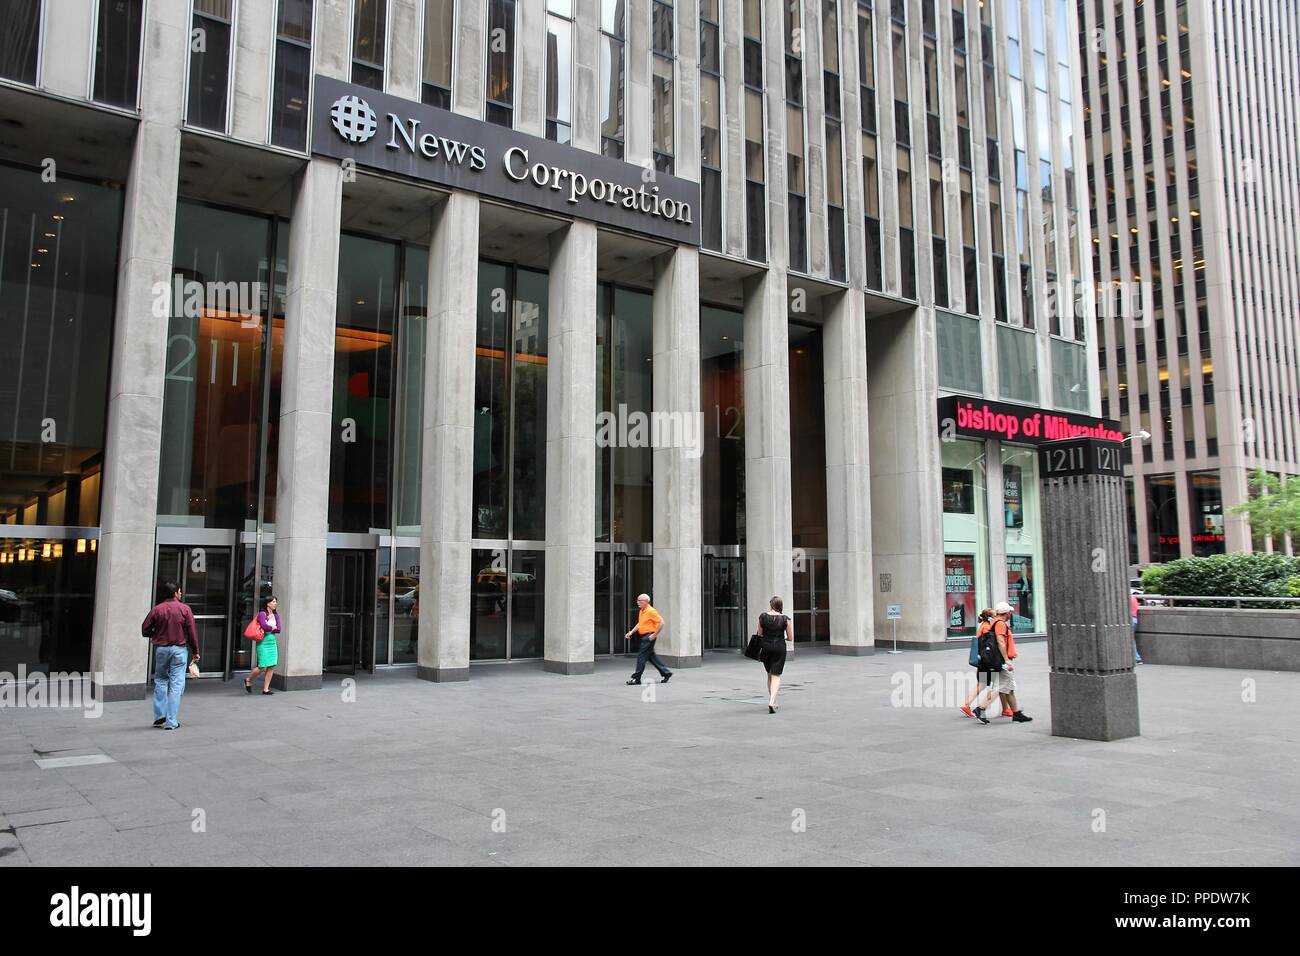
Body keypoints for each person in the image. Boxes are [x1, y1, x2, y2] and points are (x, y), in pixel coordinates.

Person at [141, 580, 199, 730]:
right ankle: (171, 721)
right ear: (175, 593)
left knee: (160, 680)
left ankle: (160, 715)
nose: (181, 593)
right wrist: (196, 651)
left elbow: (145, 629)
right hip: (179, 650)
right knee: (176, 685)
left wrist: (157, 633)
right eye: (179, 591)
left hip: (161, 649)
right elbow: (192, 632)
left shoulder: (157, 609)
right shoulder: (184, 609)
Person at [989, 601, 1032, 722]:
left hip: (999, 660)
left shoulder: (995, 622)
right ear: (1006, 613)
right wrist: (1007, 660)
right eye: (1010, 612)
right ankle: (980, 708)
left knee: (1009, 688)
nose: (1011, 614)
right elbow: (1001, 642)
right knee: (1000, 687)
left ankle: (1016, 713)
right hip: (1002, 661)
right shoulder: (1000, 624)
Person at [756, 596, 793, 713]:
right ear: (780, 605)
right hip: (779, 647)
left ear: (771, 604)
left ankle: (774, 700)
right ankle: (772, 702)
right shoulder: (786, 619)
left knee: (769, 674)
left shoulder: (762, 617)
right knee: (776, 674)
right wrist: (783, 638)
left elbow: (759, 634)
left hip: (766, 647)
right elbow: (790, 637)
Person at [625, 593, 672, 685]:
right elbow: (640, 624)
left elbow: (662, 622)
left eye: (640, 601)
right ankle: (666, 673)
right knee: (651, 657)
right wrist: (631, 632)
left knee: (641, 657)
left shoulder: (651, 611)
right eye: (637, 600)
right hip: (645, 636)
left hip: (649, 637)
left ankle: (636, 678)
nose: (637, 602)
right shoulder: (642, 611)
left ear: (646, 602)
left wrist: (655, 634)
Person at [960, 609, 997, 719]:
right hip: (986, 661)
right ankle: (969, 705)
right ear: (989, 617)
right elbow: (988, 645)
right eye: (994, 615)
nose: (995, 618)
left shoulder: (983, 625)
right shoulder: (986, 628)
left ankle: (966, 704)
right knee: (994, 686)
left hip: (982, 660)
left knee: (981, 684)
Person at [245, 595, 280, 695]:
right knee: (262, 666)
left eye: (275, 602)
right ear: (267, 603)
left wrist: (271, 627)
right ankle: (248, 679)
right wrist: (272, 627)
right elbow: (264, 627)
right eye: (273, 602)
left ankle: (266, 689)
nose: (275, 603)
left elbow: (279, 629)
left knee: (271, 666)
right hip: (263, 641)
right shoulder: (262, 614)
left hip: (272, 642)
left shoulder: (276, 615)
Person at [1130, 589, 1143, 664]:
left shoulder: (1125, 599)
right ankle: (1137, 658)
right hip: (1134, 619)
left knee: (1129, 640)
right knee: (1131, 639)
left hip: (1129, 619)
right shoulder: (1134, 598)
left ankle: (1137, 658)